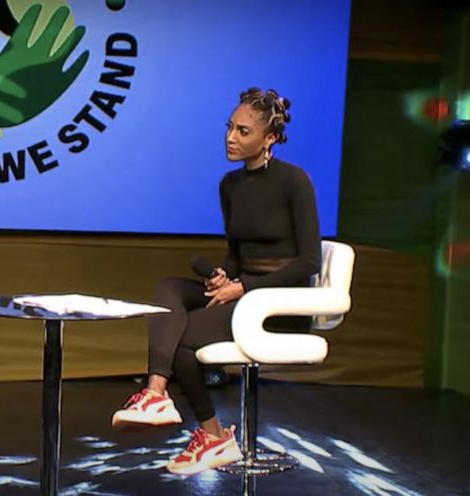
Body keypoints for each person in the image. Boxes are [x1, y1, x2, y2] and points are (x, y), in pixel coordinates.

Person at [110, 87, 321, 475]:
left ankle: (211, 435)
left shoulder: (294, 181)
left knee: (184, 338)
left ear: (269, 138)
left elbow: (308, 261)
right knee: (167, 291)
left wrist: (244, 288)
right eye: (229, 128)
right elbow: (237, 254)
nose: (231, 138)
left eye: (243, 131)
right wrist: (225, 275)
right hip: (241, 291)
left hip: (278, 304)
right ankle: (158, 394)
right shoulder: (230, 185)